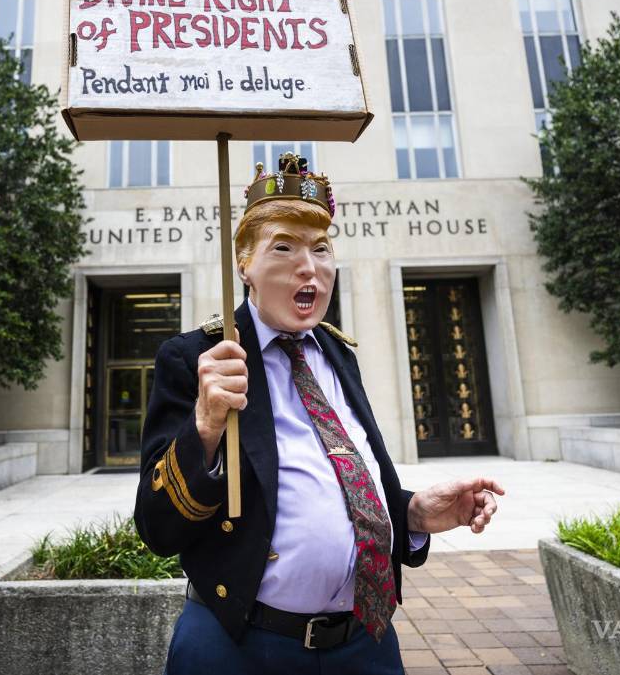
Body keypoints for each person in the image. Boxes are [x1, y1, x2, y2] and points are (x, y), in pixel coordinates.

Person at [134, 153, 505, 674]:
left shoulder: (337, 355)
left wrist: (415, 512)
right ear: (244, 263)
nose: (308, 266)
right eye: (283, 247)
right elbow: (158, 529)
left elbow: (341, 486)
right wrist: (206, 428)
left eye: (322, 248)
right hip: (240, 644)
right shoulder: (201, 358)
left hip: (365, 642)